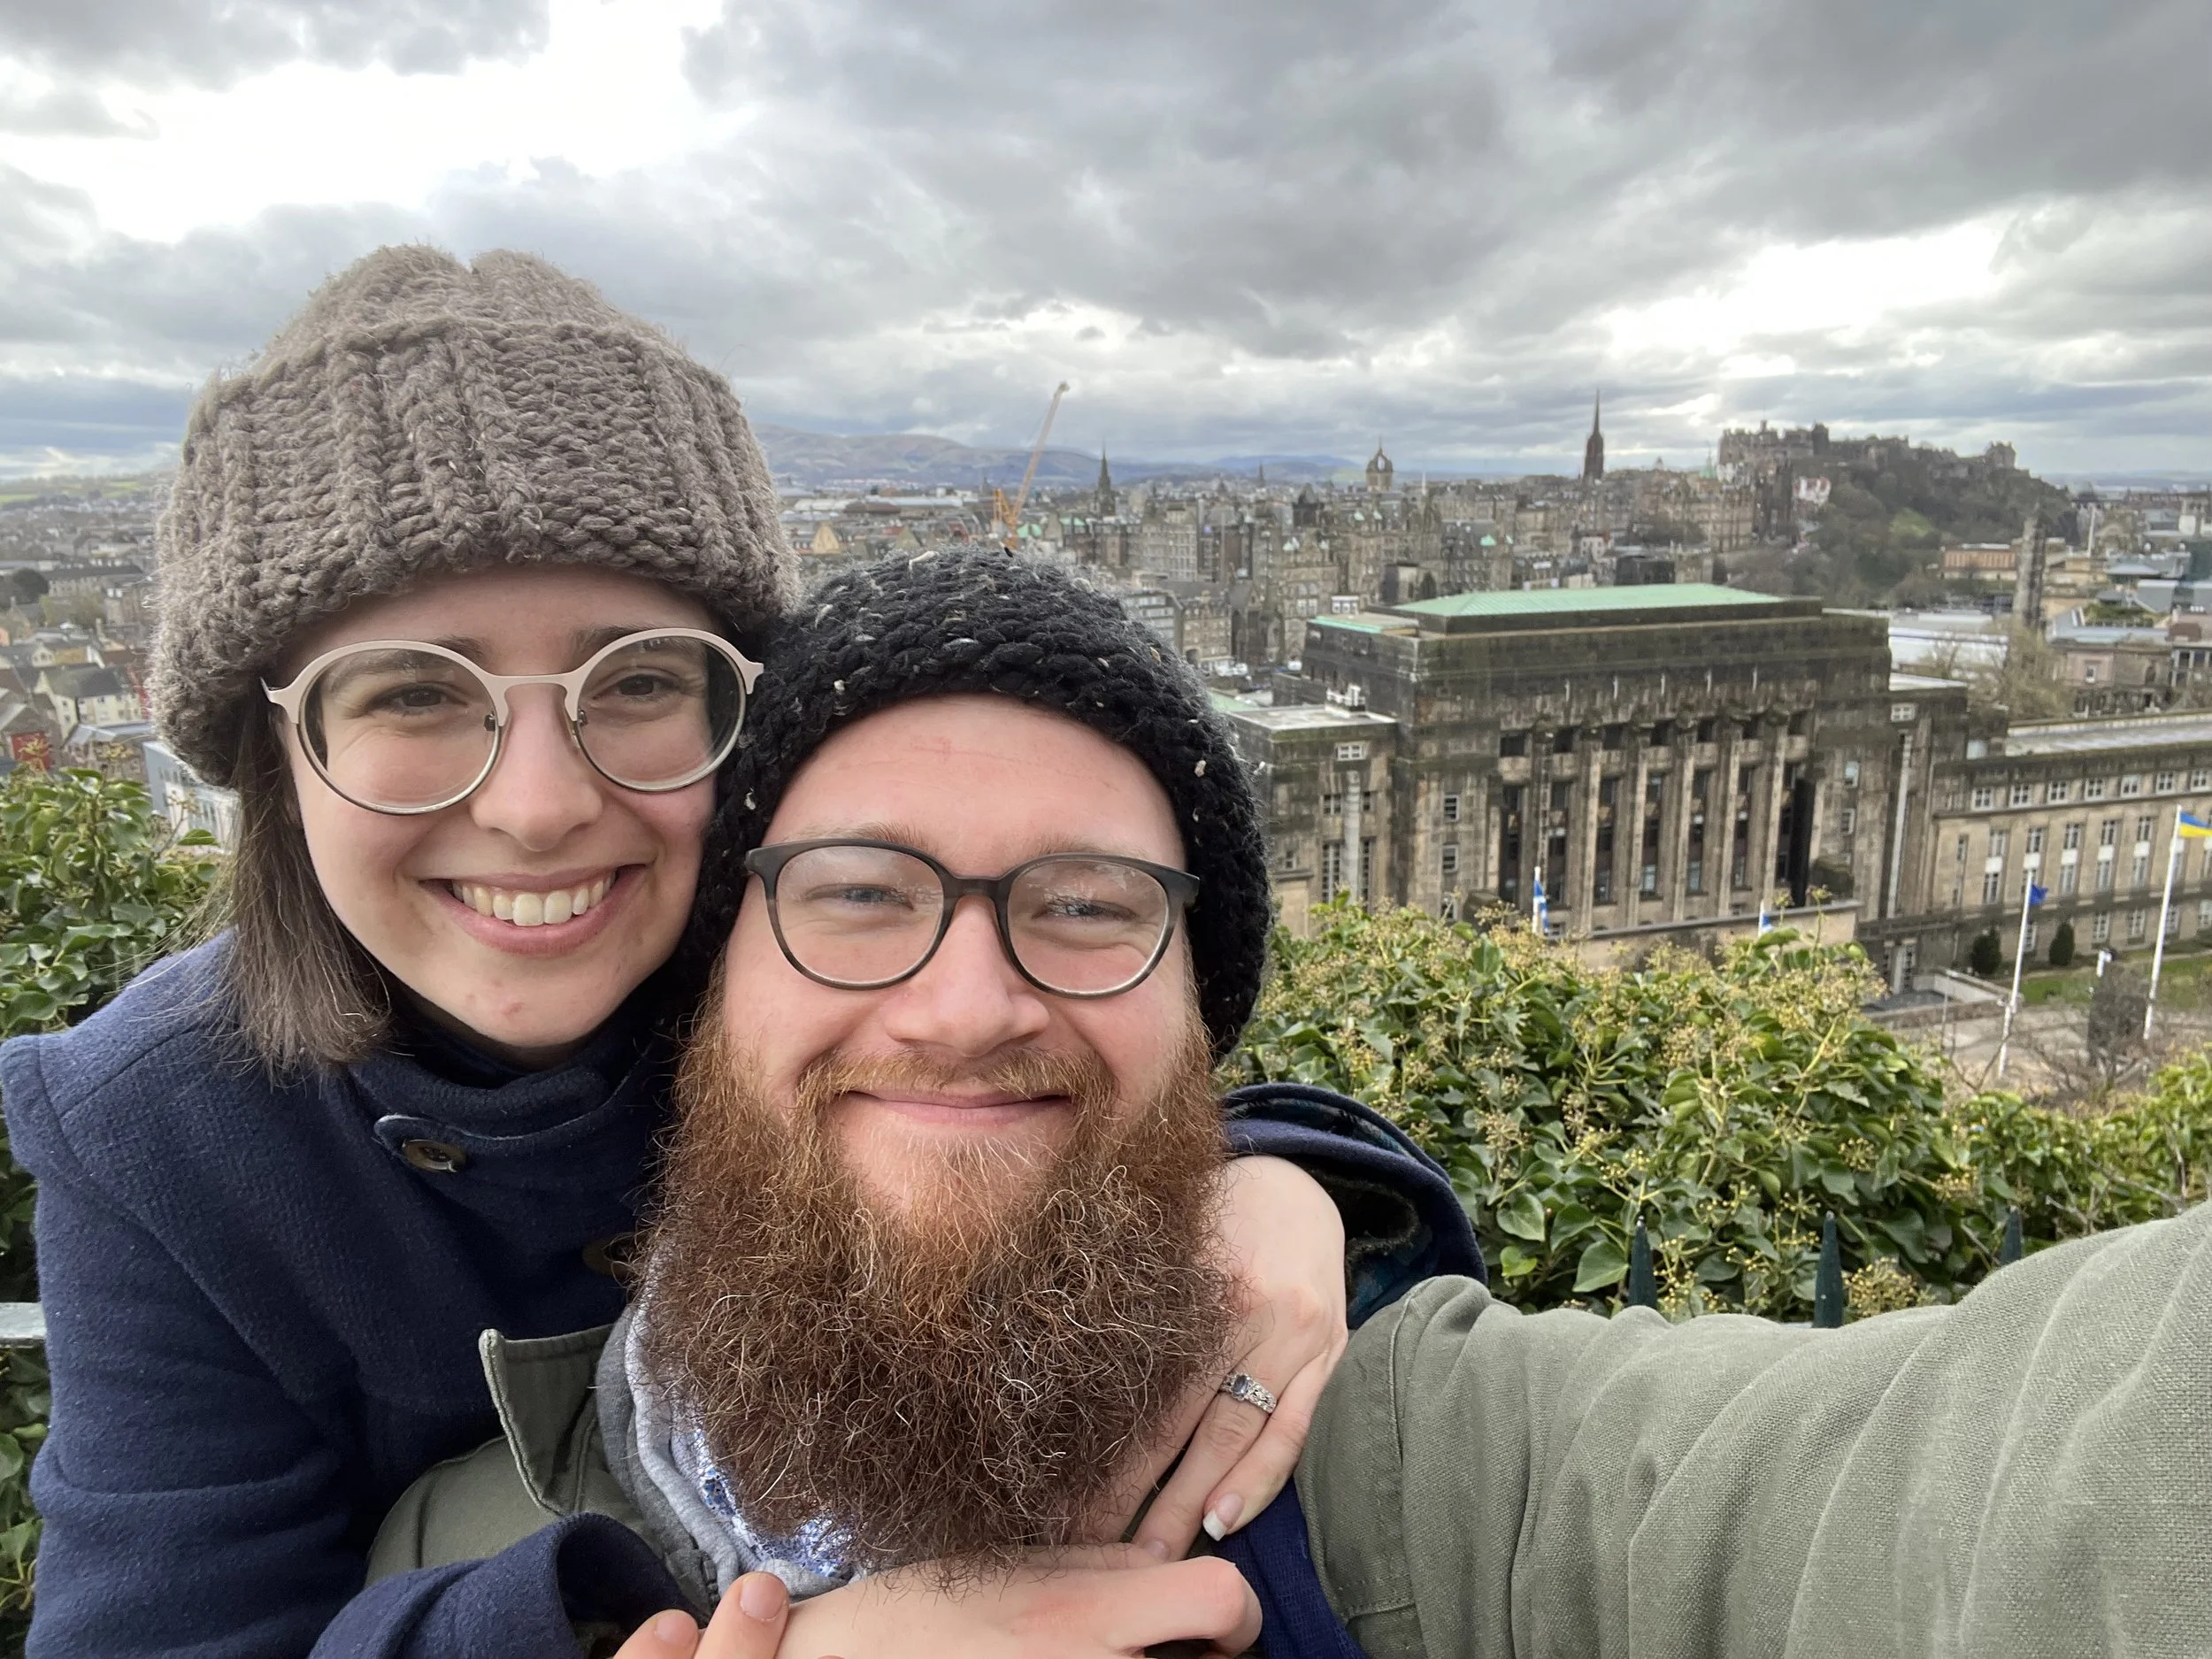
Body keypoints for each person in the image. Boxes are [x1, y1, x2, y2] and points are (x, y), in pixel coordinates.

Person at [0, 255, 1471, 1658]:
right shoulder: (160, 1136)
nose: (537, 802)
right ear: (270, 754)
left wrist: (1271, 1176)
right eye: (407, 691)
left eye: (634, 681)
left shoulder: (802, 960)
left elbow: (1048, 1052)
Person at [375, 549, 2212, 1659]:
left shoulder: (1410, 1474)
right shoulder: (454, 1559)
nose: (963, 996)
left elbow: (1997, 1483)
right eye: (856, 891)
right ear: (709, 989)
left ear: (1201, 1038)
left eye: (1087, 907)